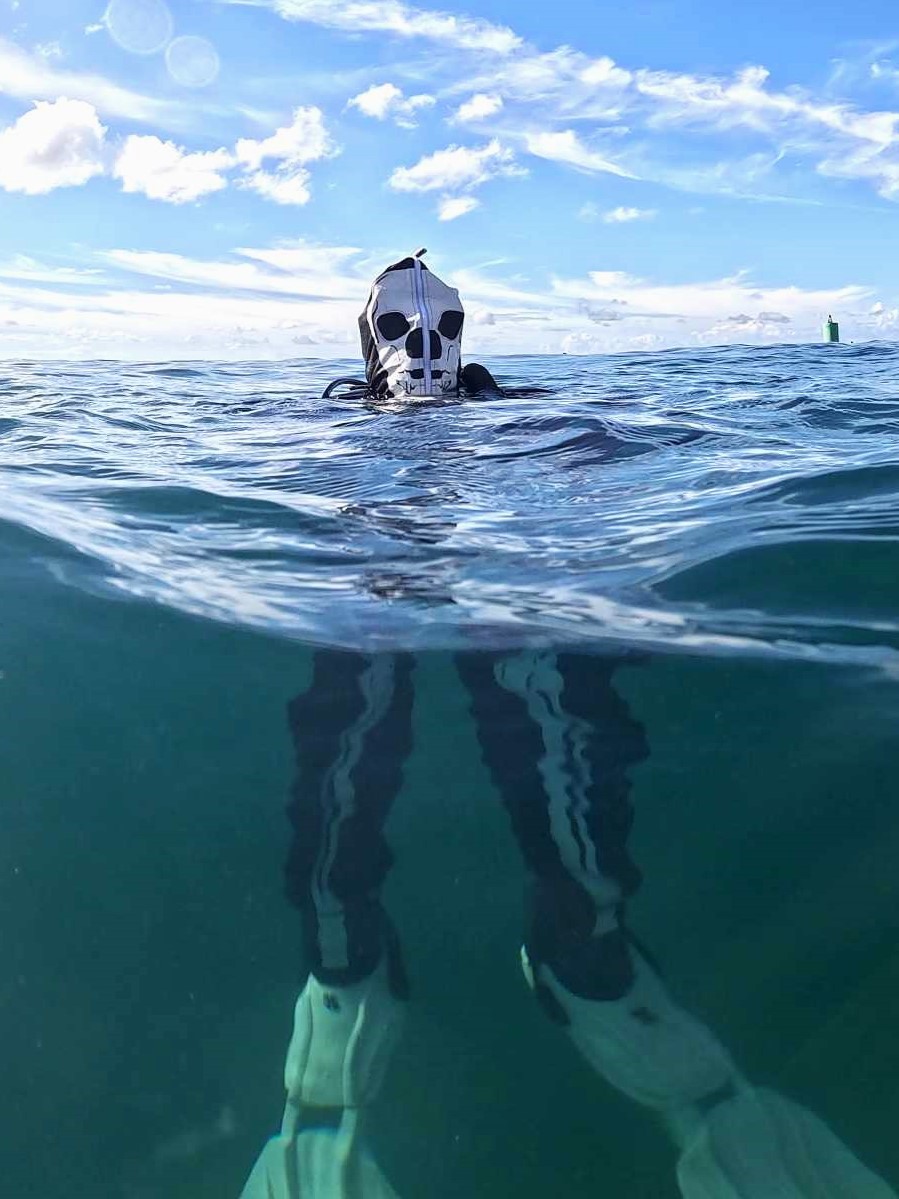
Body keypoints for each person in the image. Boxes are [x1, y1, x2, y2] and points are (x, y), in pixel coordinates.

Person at [241, 256, 897, 1199]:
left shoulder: (503, 402)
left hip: (501, 525)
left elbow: (600, 443)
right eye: (399, 328)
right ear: (367, 336)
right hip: (384, 526)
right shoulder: (338, 411)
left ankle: (585, 948)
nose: (424, 349)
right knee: (364, 647)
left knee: (537, 647)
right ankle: (344, 964)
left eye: (443, 326)